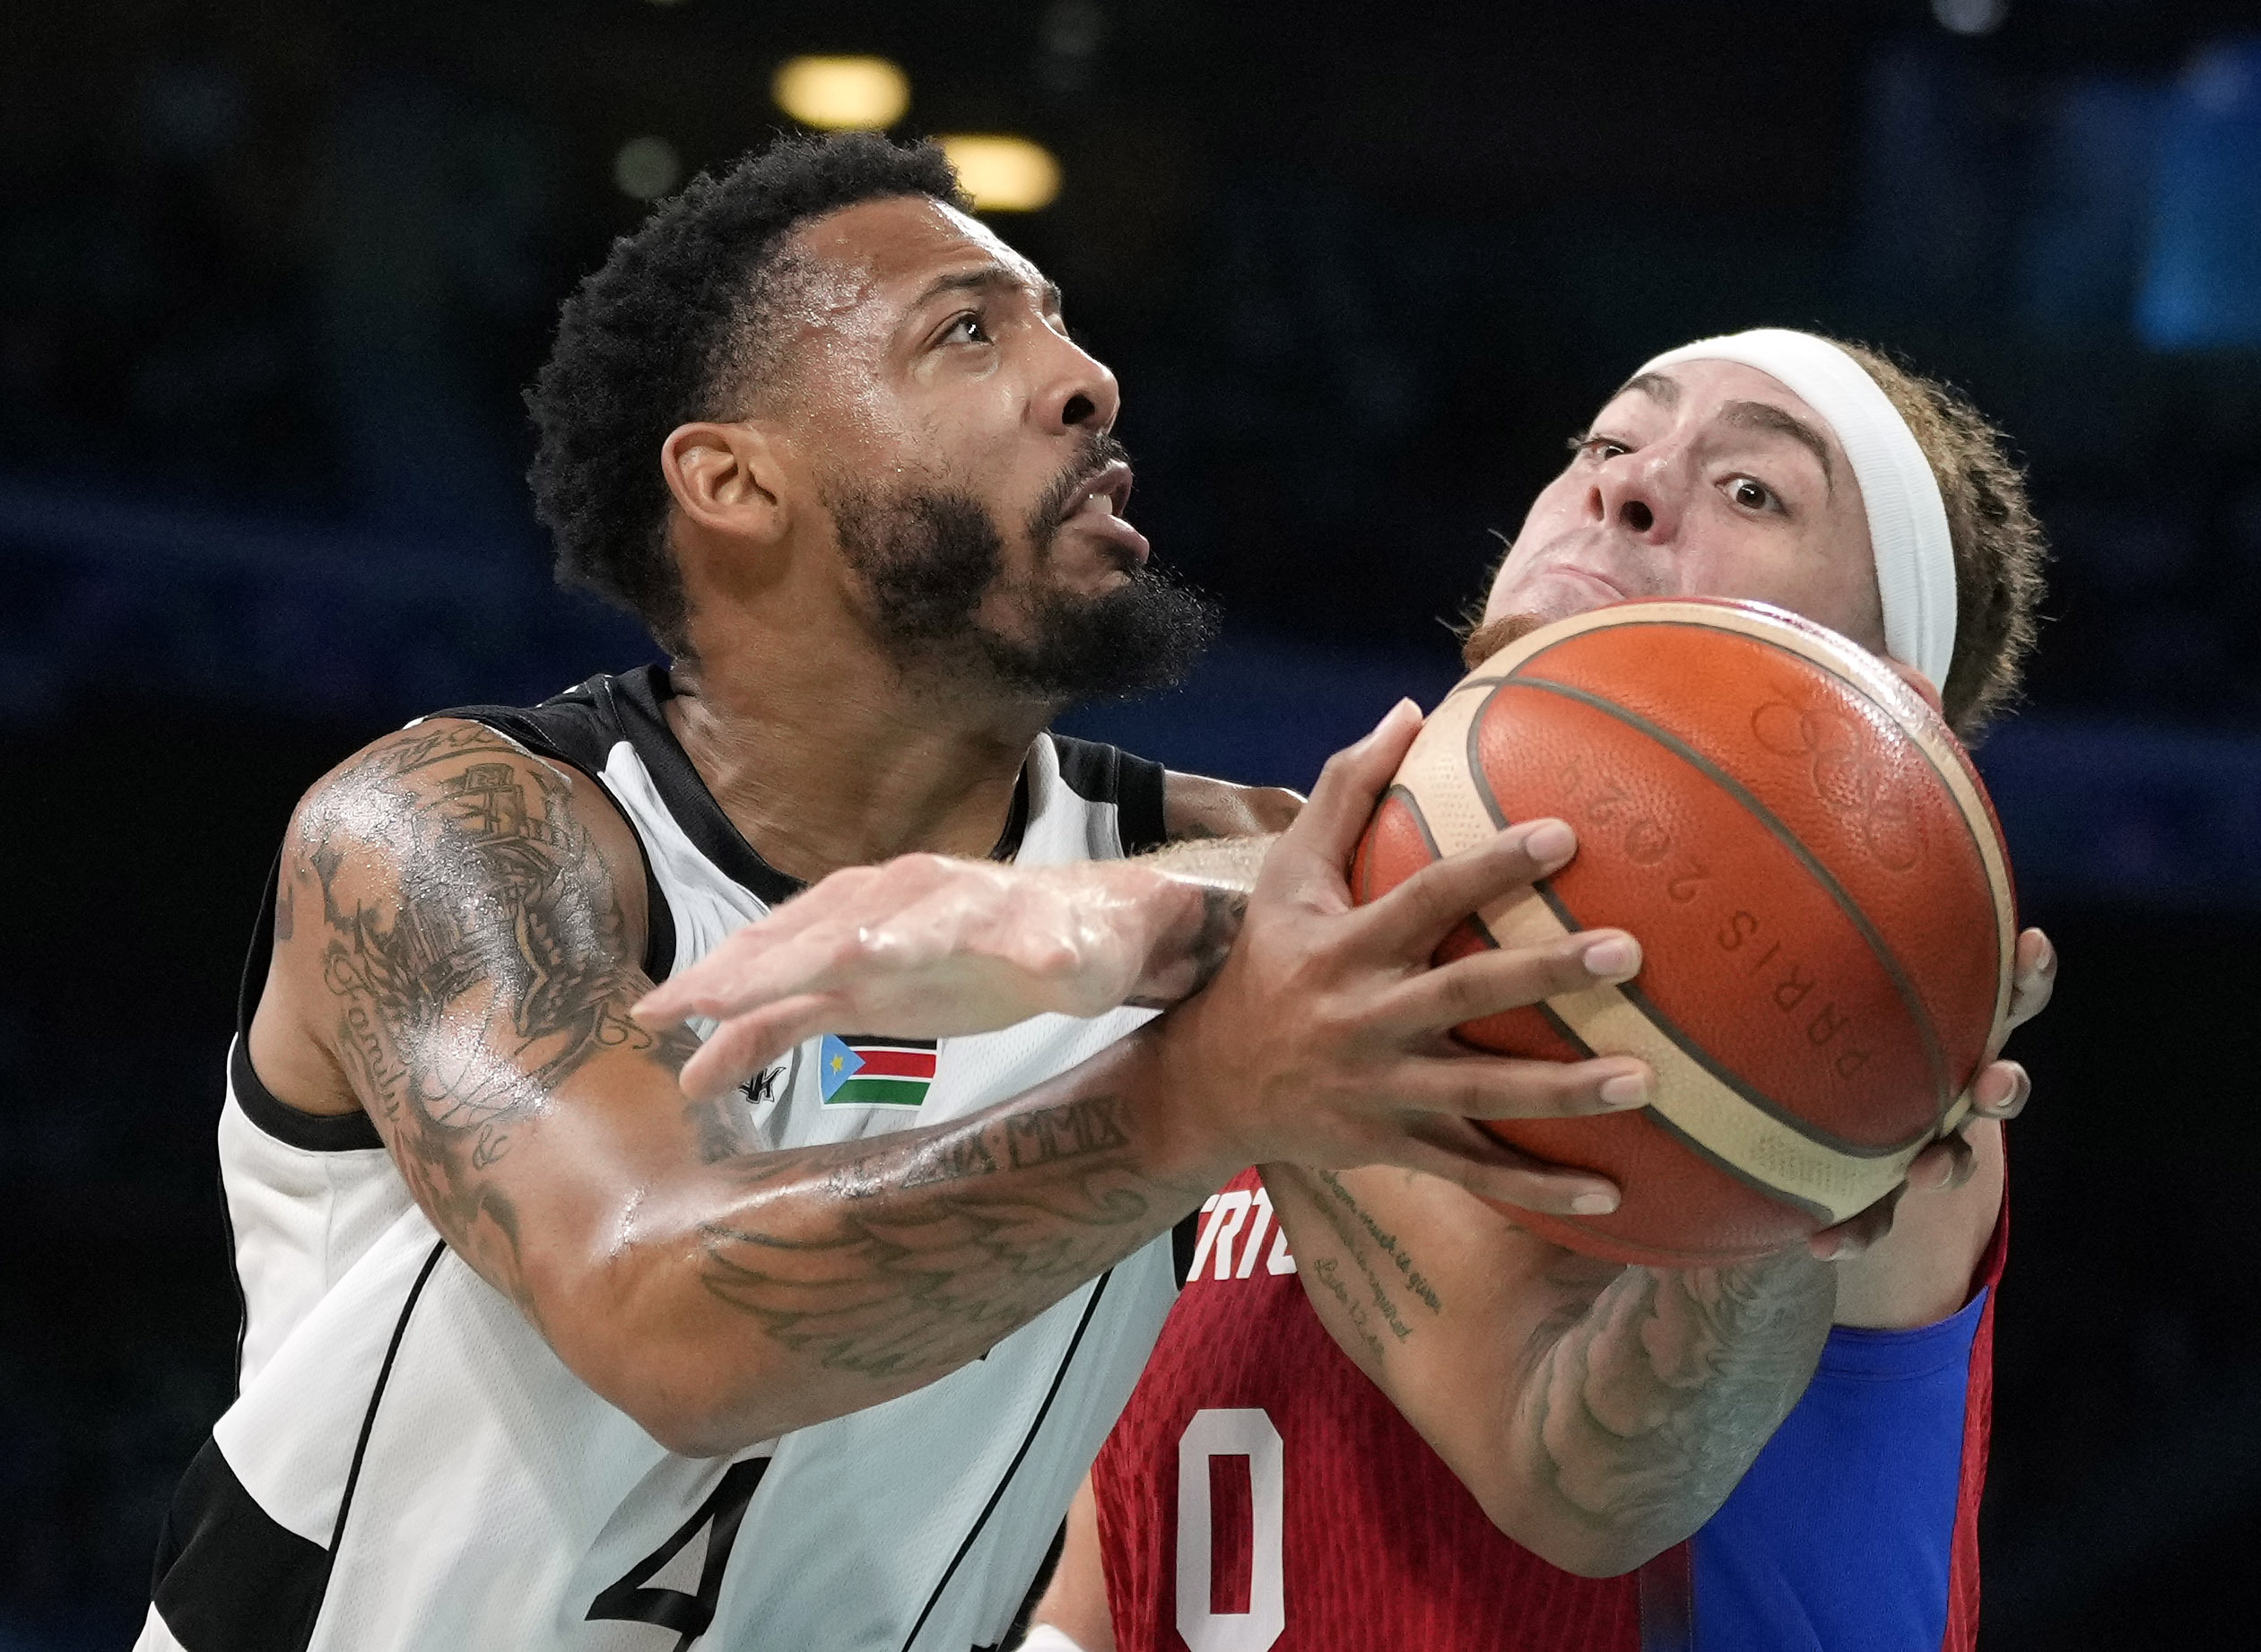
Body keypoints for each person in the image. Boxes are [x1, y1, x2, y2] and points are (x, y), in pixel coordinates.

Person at [137, 133, 1681, 1652]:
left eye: (1064, 321)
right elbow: (659, 1312)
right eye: (968, 330)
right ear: (736, 478)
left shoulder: (1233, 883)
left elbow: (1569, 1457)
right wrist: (1197, 1096)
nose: (1087, 379)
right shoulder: (448, 831)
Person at [652, 332, 2056, 1650]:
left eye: (1754, 486)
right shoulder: (1287, 1038)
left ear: (1885, 703)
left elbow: (1589, 1476)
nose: (1629, 486)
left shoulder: (1888, 1068)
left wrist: (1095, 913)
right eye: (1606, 441)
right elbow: (1114, 1564)